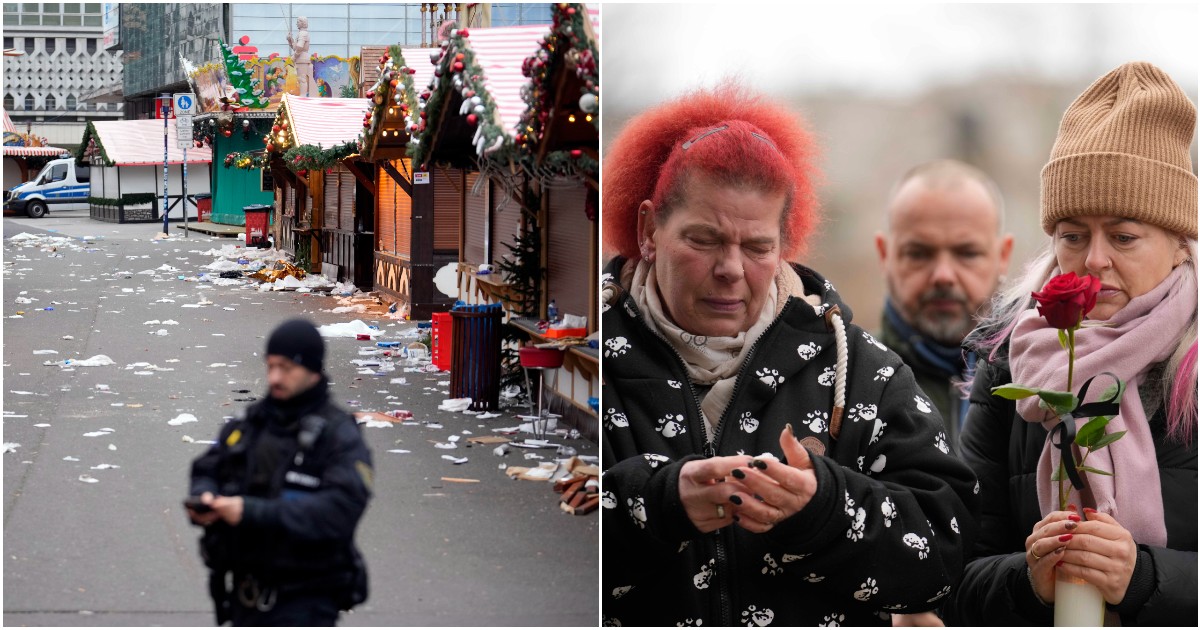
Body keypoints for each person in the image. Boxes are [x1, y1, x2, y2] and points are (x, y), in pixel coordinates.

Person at [600, 83, 980, 627]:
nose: (731, 268)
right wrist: (655, 505)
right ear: (648, 229)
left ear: (784, 244)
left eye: (757, 247)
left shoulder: (864, 373)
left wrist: (823, 510)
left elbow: (949, 550)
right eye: (704, 240)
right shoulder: (590, 359)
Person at [943, 61, 1197, 626]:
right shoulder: (1011, 364)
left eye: (1125, 235)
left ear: (1181, 243)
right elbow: (955, 574)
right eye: (1072, 236)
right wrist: (1027, 580)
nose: (1095, 259)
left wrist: (1147, 578)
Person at [187, 319, 373, 626]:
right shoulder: (251, 423)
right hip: (243, 598)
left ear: (313, 370)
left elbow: (338, 511)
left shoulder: (338, 436)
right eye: (270, 366)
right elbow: (208, 466)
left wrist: (250, 512)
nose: (274, 377)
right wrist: (204, 497)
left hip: (305, 601)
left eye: (286, 368)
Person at [875, 160, 1013, 448]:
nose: (943, 276)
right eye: (919, 254)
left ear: (1003, 255)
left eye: (967, 253)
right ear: (884, 254)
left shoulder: (1042, 379)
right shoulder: (845, 381)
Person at [287, 16, 313, 97]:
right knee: (301, 79)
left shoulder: (303, 33)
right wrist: (290, 40)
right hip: (301, 58)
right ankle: (303, 95)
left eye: (298, 21)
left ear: (302, 23)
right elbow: (296, 47)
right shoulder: (301, 33)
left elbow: (300, 47)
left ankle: (303, 96)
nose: (296, 23)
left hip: (302, 58)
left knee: (302, 79)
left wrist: (294, 56)